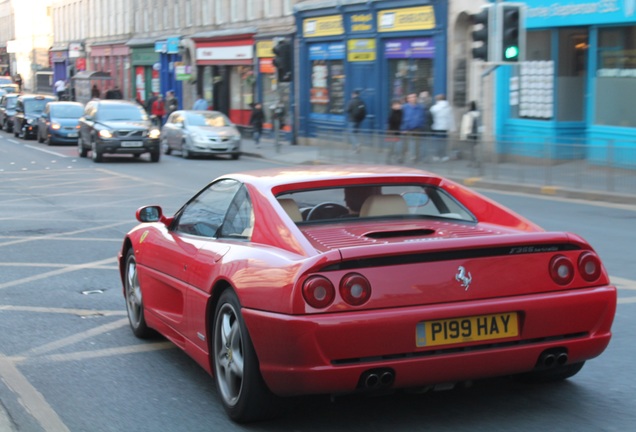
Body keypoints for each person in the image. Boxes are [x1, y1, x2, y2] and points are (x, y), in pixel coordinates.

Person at [400, 93, 426, 163]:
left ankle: (416, 158)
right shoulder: (404, 107)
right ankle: (402, 158)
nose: (413, 99)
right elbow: (401, 118)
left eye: (414, 97)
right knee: (405, 144)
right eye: (411, 97)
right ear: (408, 99)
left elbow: (422, 117)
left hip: (417, 128)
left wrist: (421, 125)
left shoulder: (420, 107)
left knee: (417, 144)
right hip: (407, 128)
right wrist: (403, 128)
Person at [429, 94, 455, 162]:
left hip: (436, 127)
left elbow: (431, 118)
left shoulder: (434, 108)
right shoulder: (448, 108)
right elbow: (451, 119)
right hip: (445, 127)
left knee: (437, 142)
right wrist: (452, 128)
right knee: (444, 142)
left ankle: (437, 155)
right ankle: (443, 155)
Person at [460, 101, 480, 167]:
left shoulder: (469, 115)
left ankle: (473, 162)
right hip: (476, 134)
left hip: (470, 134)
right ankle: (474, 162)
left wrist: (464, 135)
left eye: (468, 106)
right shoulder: (478, 114)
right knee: (474, 149)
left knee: (472, 149)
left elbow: (466, 126)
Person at [386, 99, 403, 163]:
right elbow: (389, 124)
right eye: (395, 105)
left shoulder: (401, 112)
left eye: (398, 104)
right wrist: (390, 132)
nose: (397, 106)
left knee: (399, 147)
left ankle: (398, 158)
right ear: (392, 106)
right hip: (392, 133)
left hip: (399, 132)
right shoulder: (391, 113)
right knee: (391, 147)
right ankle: (389, 158)